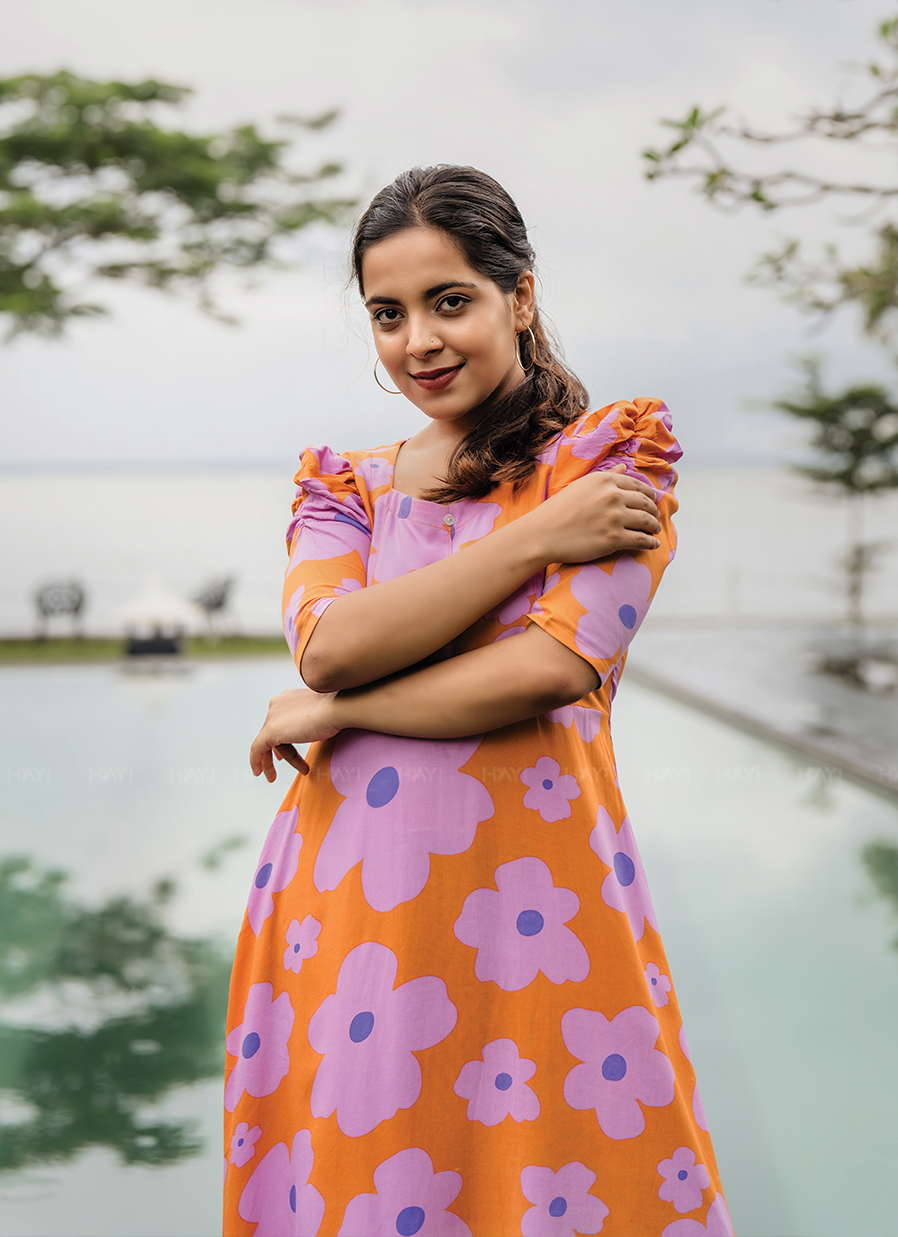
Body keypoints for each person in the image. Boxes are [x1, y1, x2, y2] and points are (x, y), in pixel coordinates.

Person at [223, 165, 733, 1237]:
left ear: (522, 296)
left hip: (534, 911)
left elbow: (547, 671)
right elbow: (329, 646)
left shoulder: (610, 461)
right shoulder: (345, 487)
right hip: (353, 909)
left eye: (450, 301)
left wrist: (343, 714)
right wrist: (538, 541)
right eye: (389, 314)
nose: (420, 341)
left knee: (552, 1186)